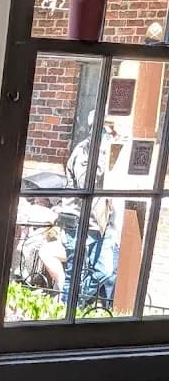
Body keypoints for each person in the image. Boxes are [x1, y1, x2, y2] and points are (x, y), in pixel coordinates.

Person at [58, 110, 120, 308]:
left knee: (105, 269)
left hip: (100, 222)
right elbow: (86, 183)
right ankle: (65, 312)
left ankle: (78, 304)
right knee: (73, 273)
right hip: (78, 220)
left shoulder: (110, 151)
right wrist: (102, 154)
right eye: (105, 130)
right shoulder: (84, 151)